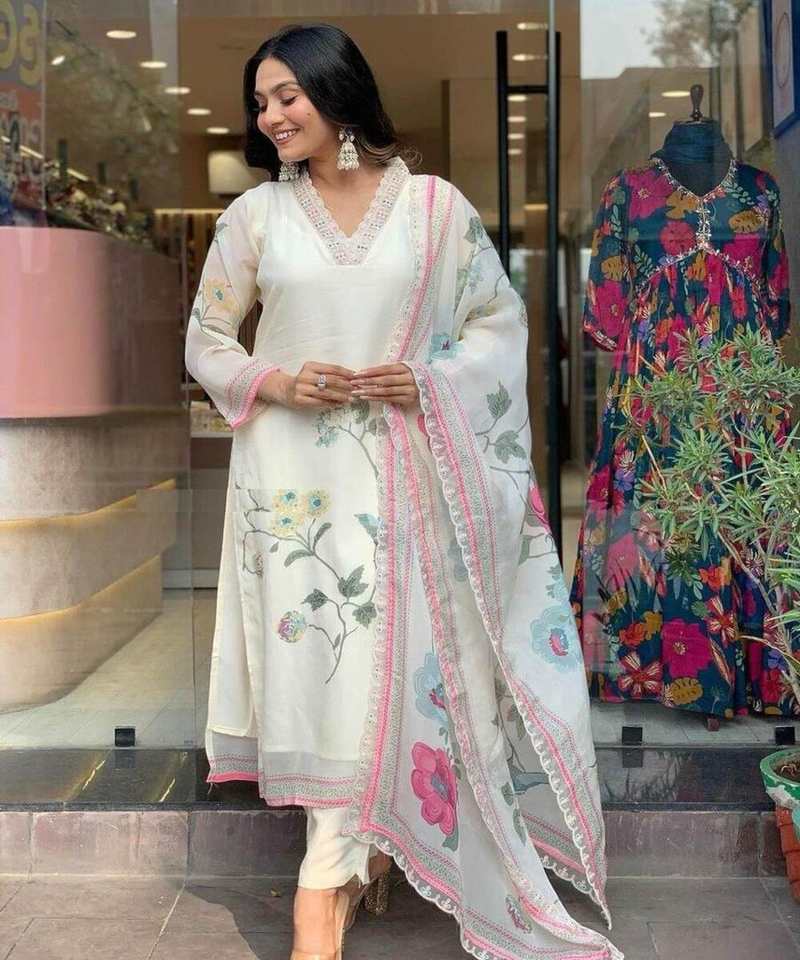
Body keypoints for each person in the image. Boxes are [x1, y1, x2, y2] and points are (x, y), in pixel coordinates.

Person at [185, 22, 621, 960]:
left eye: (286, 96)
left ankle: (353, 867)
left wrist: (428, 380)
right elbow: (206, 339)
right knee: (328, 672)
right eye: (260, 104)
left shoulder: (433, 209)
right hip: (297, 491)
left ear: (336, 91)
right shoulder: (256, 216)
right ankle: (333, 874)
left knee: (406, 667)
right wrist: (275, 380)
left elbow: (498, 323)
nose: (271, 117)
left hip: (413, 475)